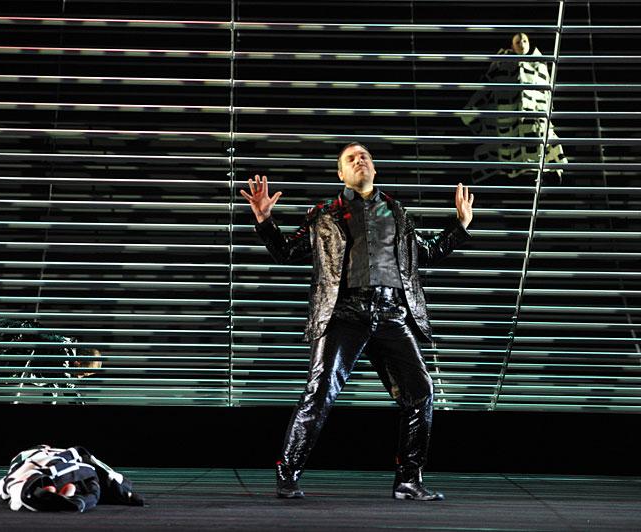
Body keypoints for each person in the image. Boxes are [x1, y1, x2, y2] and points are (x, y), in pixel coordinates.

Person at [241, 142, 474, 500]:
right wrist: (264, 220)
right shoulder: (323, 214)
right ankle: (288, 472)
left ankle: (409, 481)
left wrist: (460, 225)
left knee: (421, 392)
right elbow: (287, 251)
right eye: (350, 159)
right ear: (341, 174)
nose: (359, 160)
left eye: (364, 156)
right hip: (343, 312)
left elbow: (426, 252)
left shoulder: (397, 212)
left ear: (374, 169)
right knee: (319, 392)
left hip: (392, 312)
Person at [462, 32, 567, 184]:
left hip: (534, 117)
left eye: (525, 41)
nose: (522, 44)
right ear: (512, 46)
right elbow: (488, 85)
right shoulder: (501, 64)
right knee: (507, 151)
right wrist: (472, 108)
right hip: (508, 117)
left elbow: (546, 94)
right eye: (518, 42)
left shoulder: (540, 65)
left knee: (541, 147)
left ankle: (544, 175)